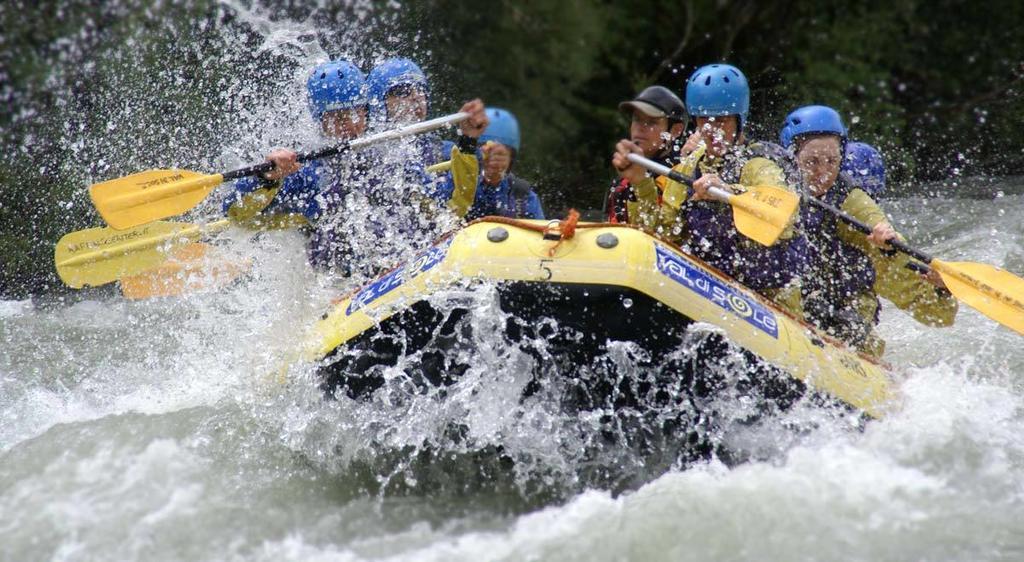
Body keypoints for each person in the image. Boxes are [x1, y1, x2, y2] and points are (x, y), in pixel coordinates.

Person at [222, 59, 488, 274]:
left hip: (398, 273)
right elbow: (238, 215)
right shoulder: (308, 172)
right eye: (337, 117)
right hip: (339, 288)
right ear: (320, 122)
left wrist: (466, 143)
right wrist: (268, 178)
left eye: (355, 113)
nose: (348, 125)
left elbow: (451, 210)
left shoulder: (391, 159)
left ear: (366, 111)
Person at [612, 64, 807, 316]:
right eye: (705, 120)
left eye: (722, 120)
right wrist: (641, 183)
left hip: (771, 304)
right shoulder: (689, 167)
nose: (712, 129)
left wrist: (729, 191)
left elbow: (785, 218)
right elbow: (662, 235)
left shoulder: (759, 165)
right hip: (714, 295)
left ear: (739, 120)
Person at [779, 104, 957, 355]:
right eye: (812, 162)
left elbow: (940, 315)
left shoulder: (854, 208)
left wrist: (941, 287)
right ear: (791, 158)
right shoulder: (774, 181)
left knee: (836, 310)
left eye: (832, 162)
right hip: (787, 306)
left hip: (842, 326)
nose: (822, 173)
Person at [605, 86, 688, 228]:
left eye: (652, 122)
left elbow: (664, 239)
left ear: (675, 130)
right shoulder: (623, 179)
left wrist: (641, 182)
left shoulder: (682, 177)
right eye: (637, 119)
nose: (641, 128)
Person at [441, 108, 544, 220]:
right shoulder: (453, 183)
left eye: (501, 152)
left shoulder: (523, 196)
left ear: (511, 157)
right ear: (475, 152)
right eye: (487, 149)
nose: (495, 158)